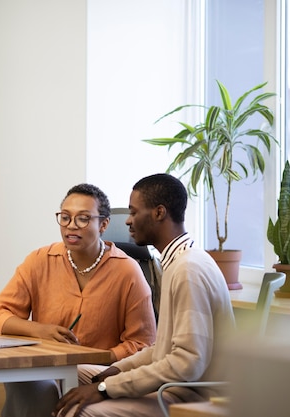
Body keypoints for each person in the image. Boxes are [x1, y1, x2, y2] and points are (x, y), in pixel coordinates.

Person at [54, 174, 236, 417]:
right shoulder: (177, 260)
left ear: (159, 213)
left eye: (134, 212)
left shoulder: (188, 270)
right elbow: (162, 348)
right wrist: (117, 370)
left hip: (187, 394)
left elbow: (186, 362)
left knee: (78, 412)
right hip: (172, 386)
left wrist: (106, 388)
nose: (128, 221)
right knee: (60, 374)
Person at [0, 183, 157, 417]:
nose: (71, 226)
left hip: (97, 374)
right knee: (32, 385)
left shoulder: (128, 271)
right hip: (46, 369)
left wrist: (98, 358)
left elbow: (142, 344)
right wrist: (40, 330)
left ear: (103, 224)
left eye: (83, 219)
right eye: (65, 217)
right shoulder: (40, 260)